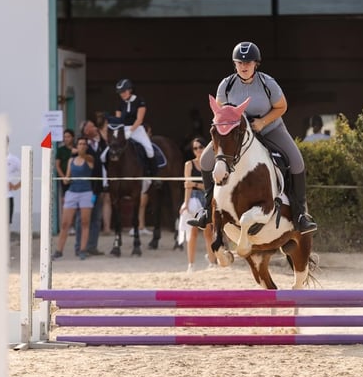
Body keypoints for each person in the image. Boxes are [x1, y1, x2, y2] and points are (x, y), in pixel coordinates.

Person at [188, 41, 318, 234]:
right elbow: (221, 114)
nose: (244, 66)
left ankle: (300, 215)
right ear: (235, 64)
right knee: (207, 162)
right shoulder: (226, 85)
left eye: (248, 62)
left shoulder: (268, 83)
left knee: (297, 162)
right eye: (240, 62)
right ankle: (206, 210)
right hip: (236, 134)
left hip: (269, 129)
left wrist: (262, 122)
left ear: (256, 63)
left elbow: (282, 107)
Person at [178, 137, 217, 272]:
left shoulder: (210, 164)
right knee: (192, 233)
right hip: (194, 199)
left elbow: (210, 186)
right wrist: (186, 204)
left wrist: (195, 184)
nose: (198, 150)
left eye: (200, 147)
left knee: (208, 232)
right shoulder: (189, 164)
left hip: (206, 199)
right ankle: (191, 264)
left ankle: (212, 262)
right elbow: (187, 187)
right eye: (195, 148)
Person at [53, 137, 95, 260]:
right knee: (65, 223)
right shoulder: (71, 160)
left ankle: (82, 250)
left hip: (86, 192)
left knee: (85, 222)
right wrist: (64, 178)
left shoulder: (89, 159)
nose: (82, 146)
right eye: (80, 144)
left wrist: (79, 152)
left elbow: (87, 159)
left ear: (86, 147)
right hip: (72, 191)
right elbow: (67, 178)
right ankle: (59, 250)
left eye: (83, 144)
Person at [114, 78, 160, 185]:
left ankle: (153, 175)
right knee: (108, 151)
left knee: (149, 149)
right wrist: (120, 131)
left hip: (137, 129)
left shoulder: (140, 101)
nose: (122, 94)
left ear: (130, 90)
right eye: (120, 93)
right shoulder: (120, 104)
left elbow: (139, 119)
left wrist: (130, 131)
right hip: (123, 129)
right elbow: (118, 119)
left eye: (124, 91)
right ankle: (107, 179)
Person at [75, 119, 107, 256]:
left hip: (97, 187)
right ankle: (79, 247)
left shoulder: (101, 143)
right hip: (85, 188)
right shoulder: (82, 145)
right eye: (92, 127)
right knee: (81, 218)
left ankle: (92, 246)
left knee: (96, 218)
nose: (95, 128)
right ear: (86, 130)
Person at [55, 128, 76, 231]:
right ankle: (66, 225)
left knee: (75, 201)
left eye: (68, 136)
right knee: (65, 201)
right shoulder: (61, 150)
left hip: (76, 178)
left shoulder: (77, 148)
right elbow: (57, 165)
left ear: (73, 137)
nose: (66, 139)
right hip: (65, 179)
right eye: (64, 137)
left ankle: (73, 224)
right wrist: (63, 177)